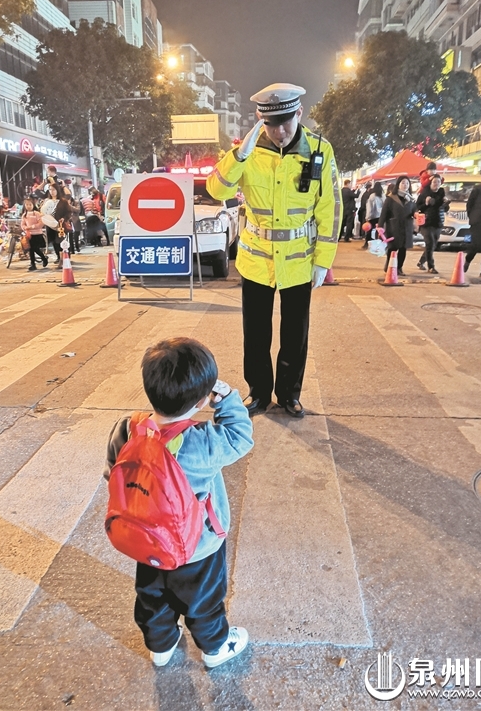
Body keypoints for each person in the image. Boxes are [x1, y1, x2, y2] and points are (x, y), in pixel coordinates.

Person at [105, 337, 254, 668]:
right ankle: (216, 648)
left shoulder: (127, 429)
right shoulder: (202, 443)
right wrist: (227, 400)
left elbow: (112, 474)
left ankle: (161, 646)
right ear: (203, 401)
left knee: (152, 597)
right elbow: (241, 437)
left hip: (146, 541)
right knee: (203, 602)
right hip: (197, 548)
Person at [206, 83, 341, 418]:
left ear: (299, 113)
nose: (279, 132)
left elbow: (330, 207)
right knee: (256, 334)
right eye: (271, 124)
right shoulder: (246, 152)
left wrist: (322, 262)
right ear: (259, 120)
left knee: (295, 335)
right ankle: (259, 393)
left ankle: (289, 394)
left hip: (298, 261)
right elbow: (215, 188)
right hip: (256, 261)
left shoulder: (319, 151)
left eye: (286, 122)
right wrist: (239, 154)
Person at [378, 175, 417, 276]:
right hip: (394, 227)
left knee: (403, 249)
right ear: (398, 184)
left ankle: (399, 268)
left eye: (407, 183)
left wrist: (416, 214)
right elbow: (384, 213)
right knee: (393, 248)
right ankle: (390, 265)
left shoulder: (411, 199)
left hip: (406, 227)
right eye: (403, 183)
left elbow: (414, 211)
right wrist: (380, 226)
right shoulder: (391, 198)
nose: (405, 185)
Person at [416, 174, 449, 274]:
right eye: (434, 182)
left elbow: (445, 209)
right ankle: (431, 266)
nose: (436, 184)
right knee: (430, 243)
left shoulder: (442, 193)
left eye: (438, 182)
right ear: (430, 183)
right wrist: (425, 203)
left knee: (433, 245)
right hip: (426, 223)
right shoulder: (424, 193)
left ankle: (421, 262)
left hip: (438, 222)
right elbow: (417, 207)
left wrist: (446, 204)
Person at [41, 183, 71, 265]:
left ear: (57, 190)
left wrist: (64, 218)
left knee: (60, 241)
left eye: (53, 190)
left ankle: (64, 257)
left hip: (60, 225)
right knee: (53, 241)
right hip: (50, 225)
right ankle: (59, 257)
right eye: (50, 190)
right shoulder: (47, 201)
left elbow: (68, 212)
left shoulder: (63, 201)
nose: (52, 192)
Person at [20, 197, 48, 271]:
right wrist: (25, 228)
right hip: (29, 235)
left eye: (30, 204)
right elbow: (22, 225)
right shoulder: (24, 215)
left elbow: (41, 223)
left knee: (35, 248)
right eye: (26, 204)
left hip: (37, 234)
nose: (28, 206)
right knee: (31, 250)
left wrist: (32, 227)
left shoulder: (37, 213)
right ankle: (33, 264)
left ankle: (43, 258)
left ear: (33, 205)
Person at [363, 182, 384, 249]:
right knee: (380, 231)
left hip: (373, 216)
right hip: (381, 216)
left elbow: (369, 208)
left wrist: (367, 217)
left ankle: (367, 244)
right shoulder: (383, 196)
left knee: (369, 230)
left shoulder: (372, 196)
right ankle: (379, 244)